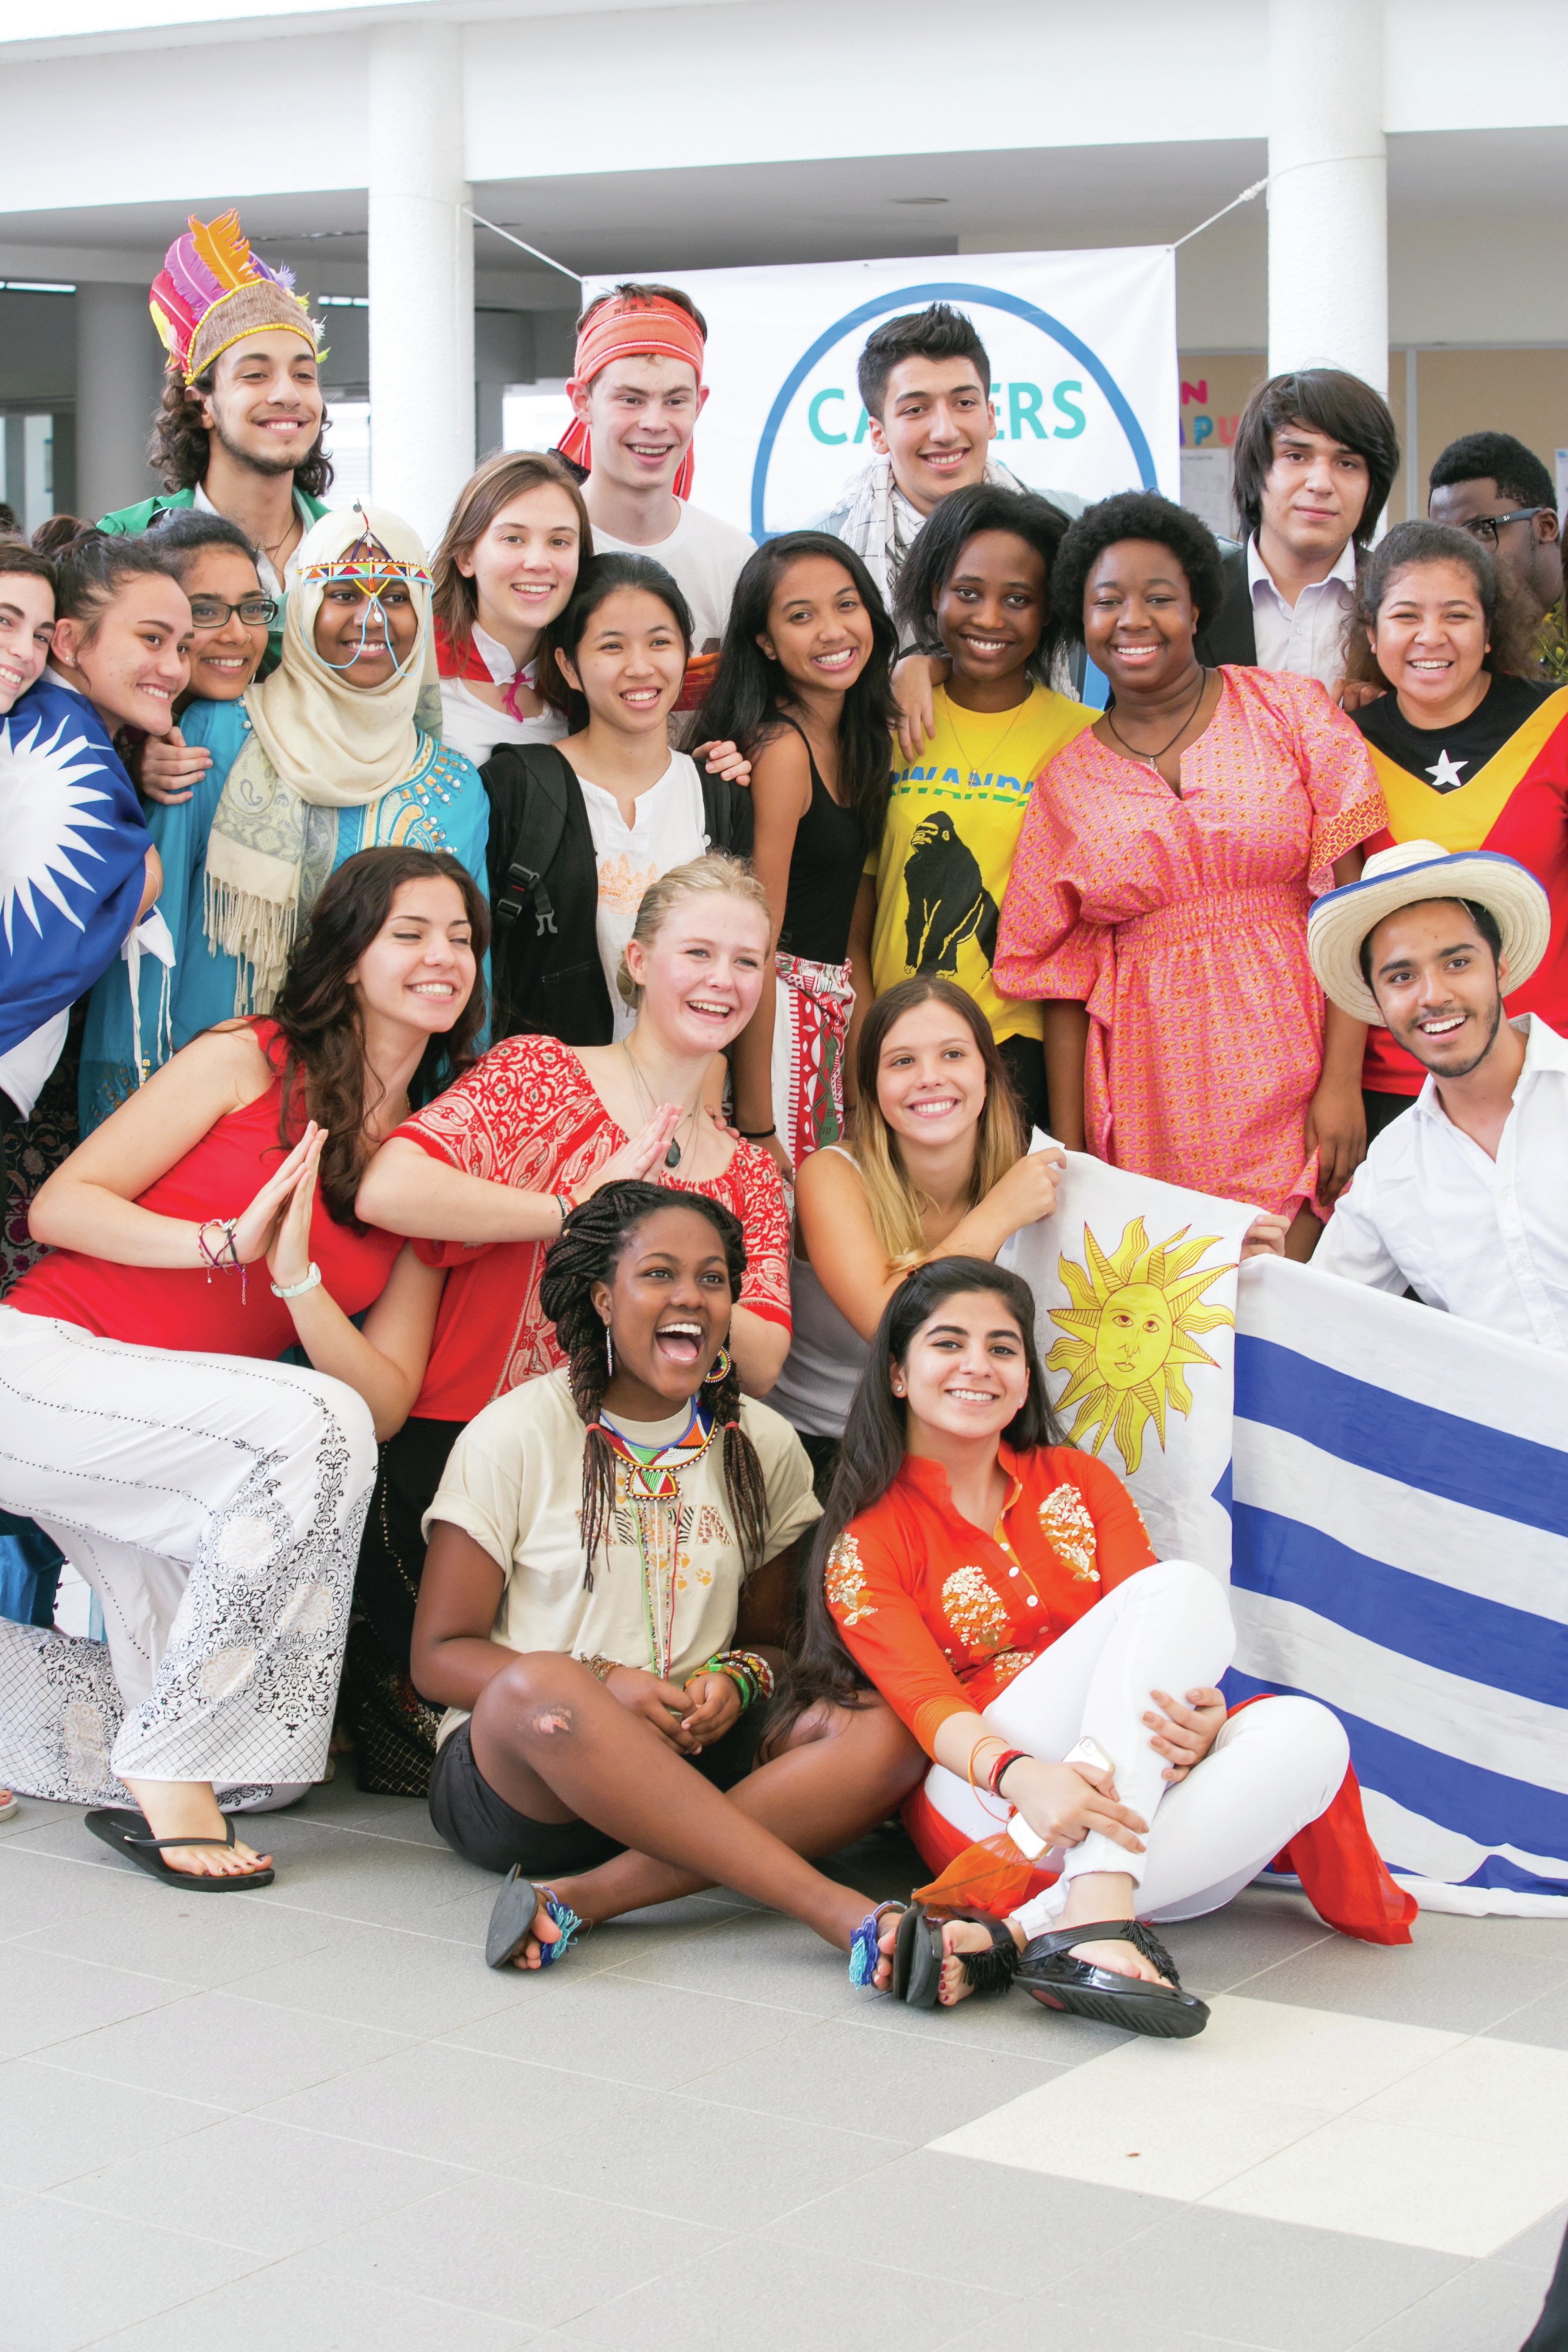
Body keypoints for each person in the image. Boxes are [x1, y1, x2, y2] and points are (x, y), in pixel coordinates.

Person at [0, 846, 485, 1884]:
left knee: (262, 1772)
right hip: (42, 1369)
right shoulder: (251, 1060)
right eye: (411, 933)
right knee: (314, 1427)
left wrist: (302, 1282)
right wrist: (225, 1243)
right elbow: (62, 1207)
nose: (443, 956)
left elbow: (388, 1399)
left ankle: (57, 1728)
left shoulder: (423, 1164)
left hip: (174, 1450)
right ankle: (167, 1777)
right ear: (350, 955)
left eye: (461, 938)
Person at [790, 1257, 1366, 2029]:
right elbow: (927, 1706)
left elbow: (1160, 1635)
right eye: (947, 1343)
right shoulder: (867, 1542)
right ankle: (1079, 1910)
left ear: (1026, 1376)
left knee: (1308, 1733)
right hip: (994, 1802)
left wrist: (1202, 1718)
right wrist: (1024, 1775)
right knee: (1183, 1587)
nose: (977, 1366)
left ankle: (1043, 1927)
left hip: (1127, 1830)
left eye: (1002, 1348)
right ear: (896, 1373)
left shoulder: (1078, 1480)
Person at [349, 856, 794, 1780]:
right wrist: (576, 1210)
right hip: (461, 1464)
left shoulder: (749, 1171)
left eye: (746, 962)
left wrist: (676, 1258)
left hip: (626, 1492)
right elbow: (388, 1186)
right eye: (697, 952)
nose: (722, 980)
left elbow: (760, 1360)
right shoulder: (539, 1071)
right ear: (636, 960)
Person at [414, 1179, 925, 1969]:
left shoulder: (761, 1442)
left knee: (882, 1729)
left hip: (695, 1754)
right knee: (543, 1688)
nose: (690, 1296)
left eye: (712, 1279)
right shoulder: (513, 1433)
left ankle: (588, 1899)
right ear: (603, 1299)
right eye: (657, 1274)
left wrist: (740, 1676)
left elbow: (771, 1644)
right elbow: (439, 1656)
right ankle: (836, 1913)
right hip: (534, 1778)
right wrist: (601, 1682)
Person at [995, 492, 1388, 1258]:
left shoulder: (1287, 711)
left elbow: (1351, 908)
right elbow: (1062, 986)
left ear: (1198, 607)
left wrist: (1341, 1082)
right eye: (1105, 601)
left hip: (1294, 1049)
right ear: (1080, 619)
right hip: (1151, 1083)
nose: (1131, 619)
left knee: (1293, 1296)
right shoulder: (1063, 783)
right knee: (1178, 1322)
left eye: (1158, 598)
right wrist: (1076, 1157)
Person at [76, 503, 490, 1129]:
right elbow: (150, 946)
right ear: (301, 607)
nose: (371, 618)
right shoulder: (216, 733)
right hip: (199, 1112)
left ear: (424, 614)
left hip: (367, 1121)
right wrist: (126, 1115)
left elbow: (464, 984)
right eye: (343, 593)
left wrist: (436, 1141)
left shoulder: (455, 787)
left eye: (397, 597)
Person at [773, 977, 1061, 1496]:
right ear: (872, 1087)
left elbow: (1132, 1242)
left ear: (987, 1073)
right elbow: (891, 1321)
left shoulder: (1023, 1178)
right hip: (820, 1455)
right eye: (902, 1062)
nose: (929, 1078)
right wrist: (996, 1215)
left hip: (964, 1447)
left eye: (952, 1054)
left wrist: (1225, 1252)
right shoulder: (832, 1174)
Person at [867, 483, 1094, 1132]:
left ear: (1050, 611)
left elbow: (1074, 943)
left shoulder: (1082, 739)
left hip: (1012, 1049)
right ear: (933, 593)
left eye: (1018, 600)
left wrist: (1070, 1137)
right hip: (896, 1047)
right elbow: (862, 906)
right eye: (968, 593)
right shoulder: (891, 721)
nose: (990, 619)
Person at [1345, 519, 1566, 1139]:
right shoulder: (1340, 746)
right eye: (1406, 615)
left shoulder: (1557, 722)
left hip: (1547, 1063)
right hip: (1398, 1078)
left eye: (1458, 616)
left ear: (1491, 631)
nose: (1431, 638)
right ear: (1372, 630)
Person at [483, 553, 751, 1046]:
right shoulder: (516, 786)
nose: (640, 666)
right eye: (611, 646)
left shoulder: (719, 791)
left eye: (660, 642)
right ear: (568, 666)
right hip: (551, 1104)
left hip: (684, 1101)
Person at [1308, 840, 1568, 1346]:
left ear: (1499, 968)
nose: (1432, 996)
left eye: (1456, 963)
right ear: (1377, 1004)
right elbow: (1318, 1321)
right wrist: (1261, 1276)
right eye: (1401, 976)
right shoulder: (1391, 1170)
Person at [694, 532, 897, 1174]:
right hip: (773, 1031)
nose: (833, 631)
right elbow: (758, 943)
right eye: (801, 616)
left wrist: (862, 1093)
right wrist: (756, 1122)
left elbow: (852, 938)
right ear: (765, 642)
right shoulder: (781, 751)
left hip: (829, 1028)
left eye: (846, 605)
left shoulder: (864, 739)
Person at [76, 512, 276, 1125]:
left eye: (253, 608)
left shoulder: (243, 726)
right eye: (207, 611)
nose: (237, 633)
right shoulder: (84, 730)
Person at [2, 533, 168, 1159]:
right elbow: (50, 936)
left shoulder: (30, 724)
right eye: (4, 621)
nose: (25, 653)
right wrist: (139, 880)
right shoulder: (60, 749)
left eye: (39, 634)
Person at [99, 210, 331, 653]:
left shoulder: (357, 548)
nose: (288, 395)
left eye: (304, 376)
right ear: (201, 403)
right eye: (255, 376)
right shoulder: (127, 540)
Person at [558, 283, 753, 710]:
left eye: (675, 401)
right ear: (582, 401)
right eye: (630, 399)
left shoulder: (732, 555)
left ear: (698, 405)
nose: (653, 422)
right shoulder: (546, 551)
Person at [817, 303, 1078, 609]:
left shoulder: (1068, 530)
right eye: (915, 410)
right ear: (878, 434)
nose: (945, 432)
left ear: (991, 417)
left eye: (964, 403)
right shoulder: (828, 546)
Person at [1195, 367, 1400, 692]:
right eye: (1296, 456)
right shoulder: (1190, 600)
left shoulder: (1404, 601)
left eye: (1347, 463)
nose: (1320, 484)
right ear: (1255, 470)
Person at [430, 449, 589, 769]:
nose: (538, 563)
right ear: (465, 557)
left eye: (559, 542)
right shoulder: (412, 666)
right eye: (514, 539)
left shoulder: (585, 679)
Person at [1427, 430, 1567, 689]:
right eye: (1445, 539)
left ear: (1545, 528)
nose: (1461, 557)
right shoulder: (1448, 642)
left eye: (1482, 530)